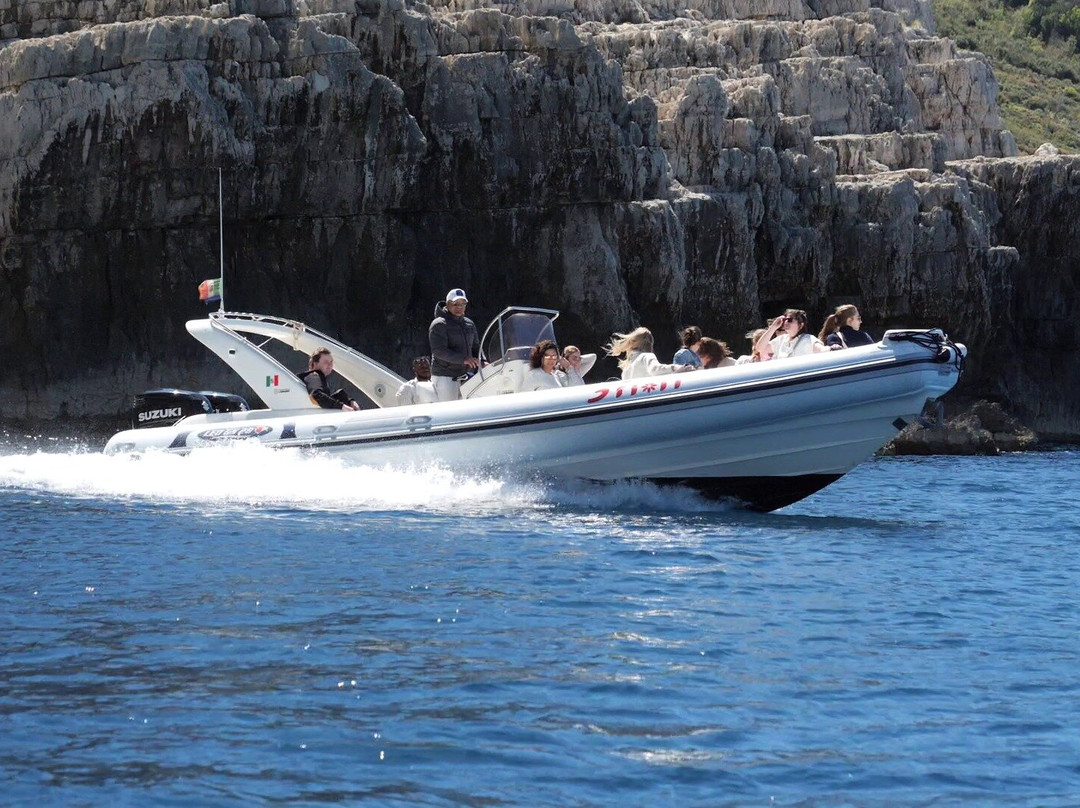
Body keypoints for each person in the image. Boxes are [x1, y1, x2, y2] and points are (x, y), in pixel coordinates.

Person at [429, 288, 479, 402]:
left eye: (462, 304)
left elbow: (476, 347)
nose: (459, 307)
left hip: (466, 375)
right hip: (445, 377)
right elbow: (439, 351)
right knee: (447, 413)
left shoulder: (469, 324)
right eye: (455, 304)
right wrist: (464, 359)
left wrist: (483, 361)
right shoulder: (439, 324)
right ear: (447, 304)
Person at [606, 327, 694, 379]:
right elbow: (655, 369)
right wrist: (678, 368)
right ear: (650, 343)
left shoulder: (627, 368)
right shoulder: (647, 356)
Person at [754, 308, 827, 360]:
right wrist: (773, 328)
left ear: (800, 325)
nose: (786, 322)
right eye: (785, 320)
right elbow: (760, 348)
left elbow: (822, 350)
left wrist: (831, 348)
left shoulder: (808, 339)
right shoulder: (781, 340)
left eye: (789, 320)